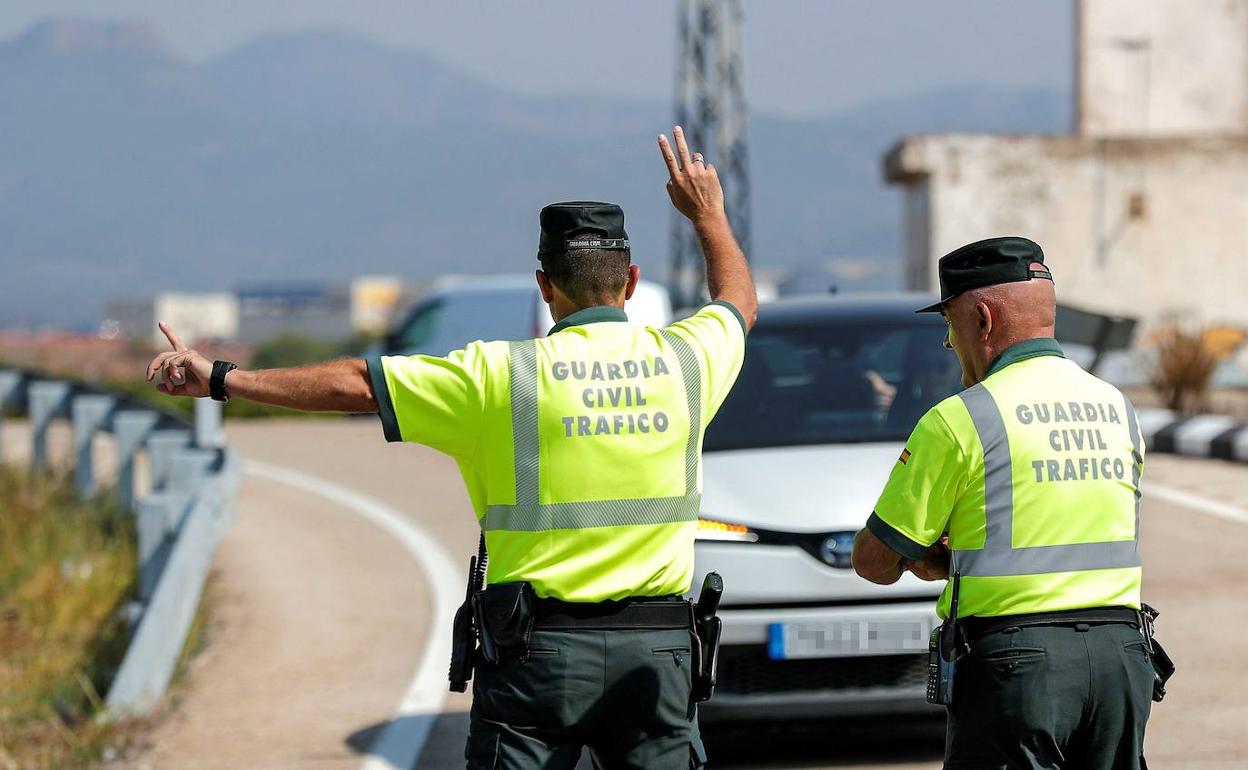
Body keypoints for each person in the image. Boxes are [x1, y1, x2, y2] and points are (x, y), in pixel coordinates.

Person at [145, 125, 756, 770]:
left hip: (536, 658)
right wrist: (708, 214)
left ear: (544, 286)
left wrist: (219, 378)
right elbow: (737, 304)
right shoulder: (689, 360)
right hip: (655, 658)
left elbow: (356, 383)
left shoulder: (497, 377)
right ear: (630, 281)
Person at [850, 237, 1155, 769]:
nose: (950, 344)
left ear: (983, 320)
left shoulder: (961, 418)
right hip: (1121, 661)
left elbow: (874, 562)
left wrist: (935, 559)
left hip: (1019, 668)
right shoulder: (1118, 408)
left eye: (950, 325)